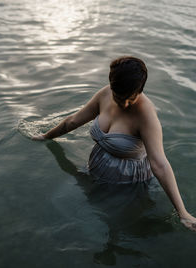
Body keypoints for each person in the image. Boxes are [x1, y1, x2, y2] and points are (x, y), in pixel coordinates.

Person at [32, 56, 196, 231]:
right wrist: (45, 137)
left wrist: (183, 212)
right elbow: (72, 121)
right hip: (96, 167)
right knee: (65, 210)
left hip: (128, 181)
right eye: (118, 97)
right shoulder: (105, 94)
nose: (124, 103)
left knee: (115, 224)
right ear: (111, 84)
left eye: (130, 98)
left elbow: (160, 164)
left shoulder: (147, 116)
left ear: (140, 89)